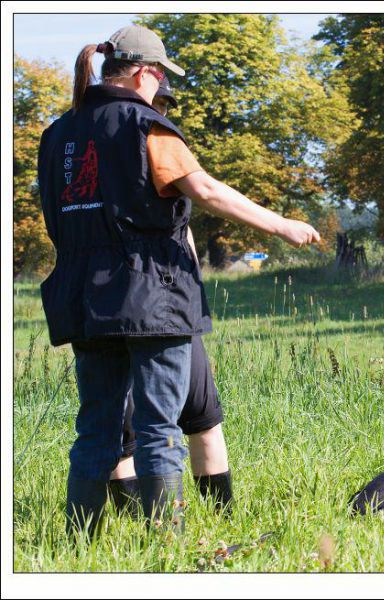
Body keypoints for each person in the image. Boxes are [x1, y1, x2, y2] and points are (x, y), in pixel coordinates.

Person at [37, 25, 319, 537]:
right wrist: (282, 225)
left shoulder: (57, 134)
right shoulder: (146, 125)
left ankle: (78, 543)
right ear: (145, 72)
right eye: (161, 74)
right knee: (158, 429)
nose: (161, 85)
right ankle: (167, 544)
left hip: (82, 301)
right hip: (151, 299)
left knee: (96, 428)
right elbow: (204, 189)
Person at [108, 78, 232, 516]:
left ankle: (218, 517)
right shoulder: (151, 142)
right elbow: (204, 199)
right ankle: (151, 526)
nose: (161, 110)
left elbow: (185, 234)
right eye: (158, 102)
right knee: (142, 426)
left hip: (136, 304)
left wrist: (193, 298)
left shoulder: (100, 144)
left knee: (197, 416)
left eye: (164, 105)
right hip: (154, 302)